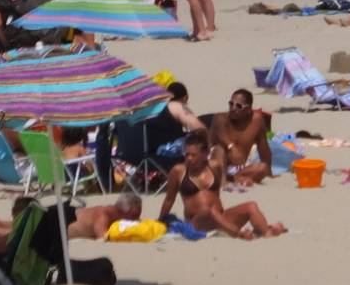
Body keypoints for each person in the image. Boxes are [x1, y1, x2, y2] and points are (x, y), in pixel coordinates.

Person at [157, 132, 286, 239]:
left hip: (221, 218)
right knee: (208, 211)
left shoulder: (214, 167)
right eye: (186, 155)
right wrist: (160, 220)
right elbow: (169, 199)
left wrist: (219, 215)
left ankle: (267, 233)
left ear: (205, 154)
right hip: (197, 222)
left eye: (193, 155)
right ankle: (238, 233)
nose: (189, 158)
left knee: (251, 206)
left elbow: (216, 195)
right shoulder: (179, 171)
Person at [208, 88, 273, 185]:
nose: (233, 108)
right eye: (231, 104)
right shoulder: (220, 119)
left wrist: (269, 171)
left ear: (247, 110)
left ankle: (234, 178)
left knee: (263, 168)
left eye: (238, 106)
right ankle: (222, 182)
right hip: (216, 164)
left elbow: (263, 148)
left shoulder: (256, 121)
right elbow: (222, 136)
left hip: (238, 168)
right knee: (219, 149)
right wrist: (232, 147)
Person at [68, 192, 144, 240]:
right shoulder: (103, 216)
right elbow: (103, 238)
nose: (136, 219)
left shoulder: (110, 214)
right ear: (125, 212)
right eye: (134, 216)